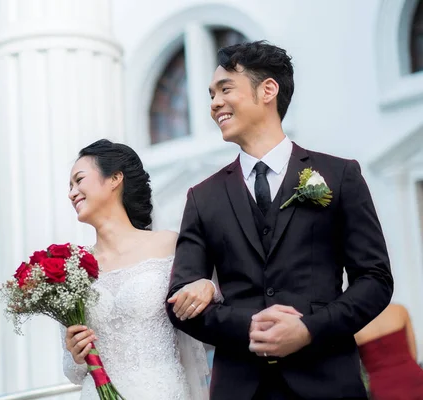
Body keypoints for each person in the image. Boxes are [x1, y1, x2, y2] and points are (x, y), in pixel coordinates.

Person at [166, 40, 394, 399]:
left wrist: (309, 329)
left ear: (268, 89)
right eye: (211, 94)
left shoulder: (339, 175)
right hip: (241, 387)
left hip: (328, 382)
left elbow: (375, 279)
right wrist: (250, 326)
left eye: (225, 89)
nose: (214, 104)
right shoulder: (202, 196)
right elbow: (180, 303)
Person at [61, 139, 218, 399]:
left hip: (162, 391)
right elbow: (72, 371)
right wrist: (75, 354)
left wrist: (208, 287)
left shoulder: (168, 244)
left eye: (79, 180)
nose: (72, 192)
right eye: (70, 186)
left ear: (115, 178)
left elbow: (215, 300)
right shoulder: (73, 268)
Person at [356, 303, 423, 399]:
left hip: (383, 389)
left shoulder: (353, 324)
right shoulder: (399, 310)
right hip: (415, 380)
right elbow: (413, 355)